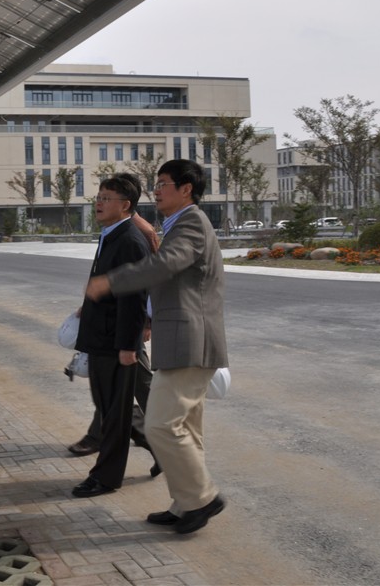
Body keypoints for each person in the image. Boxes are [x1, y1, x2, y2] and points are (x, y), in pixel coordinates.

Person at [85, 159, 228, 534]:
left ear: (186, 189)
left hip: (191, 342)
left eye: (163, 183)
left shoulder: (191, 223)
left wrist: (111, 281)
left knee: (160, 425)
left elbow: (165, 264)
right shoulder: (179, 223)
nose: (156, 190)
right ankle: (186, 504)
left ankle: (202, 499)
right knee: (187, 430)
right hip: (185, 340)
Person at [70, 174, 153, 498]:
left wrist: (129, 346)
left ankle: (105, 478)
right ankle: (160, 450)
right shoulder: (111, 234)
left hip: (115, 343)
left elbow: (135, 298)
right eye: (99, 197)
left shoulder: (129, 240)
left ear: (125, 205)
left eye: (107, 198)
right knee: (111, 411)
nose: (99, 203)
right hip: (102, 339)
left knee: (114, 416)